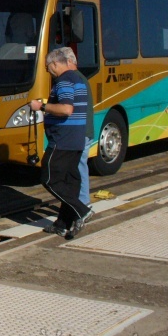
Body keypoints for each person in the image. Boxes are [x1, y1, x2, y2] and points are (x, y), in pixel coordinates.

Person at [30, 48, 91, 240]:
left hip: (62, 140)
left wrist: (41, 107)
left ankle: (81, 210)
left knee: (49, 178)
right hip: (76, 139)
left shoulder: (64, 81)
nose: (49, 71)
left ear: (55, 63)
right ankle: (63, 223)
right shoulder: (78, 79)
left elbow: (66, 109)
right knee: (70, 181)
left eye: (48, 67)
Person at [63, 47, 95, 216]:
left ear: (69, 62)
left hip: (79, 132)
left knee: (77, 167)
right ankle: (81, 203)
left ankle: (82, 205)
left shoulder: (74, 79)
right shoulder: (81, 78)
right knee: (79, 166)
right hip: (84, 130)